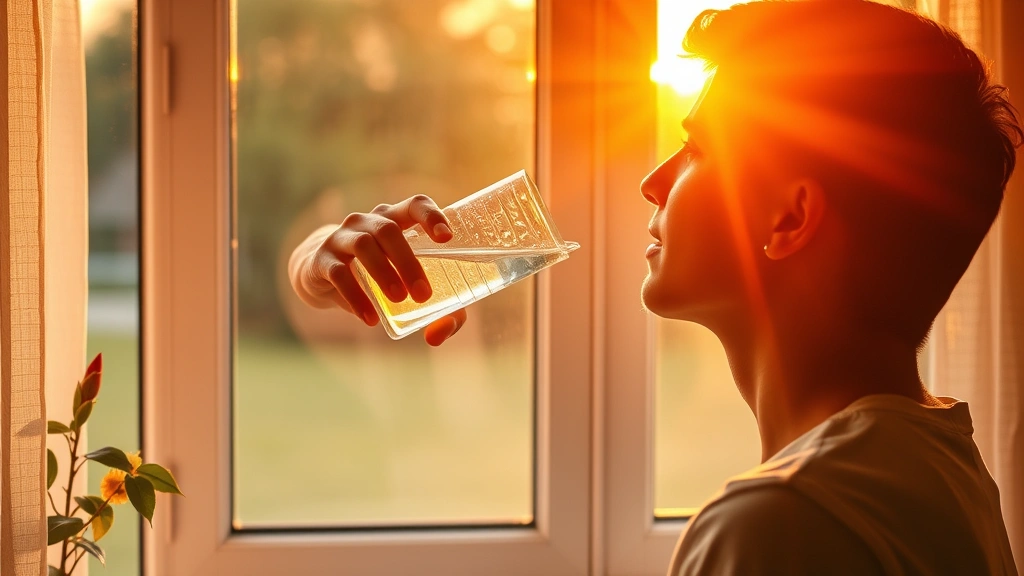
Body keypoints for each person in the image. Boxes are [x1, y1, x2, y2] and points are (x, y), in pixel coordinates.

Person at [290, 1, 1022, 573]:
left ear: (790, 217)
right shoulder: (937, 460)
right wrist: (328, 260)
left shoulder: (778, 522)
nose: (652, 182)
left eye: (698, 149)